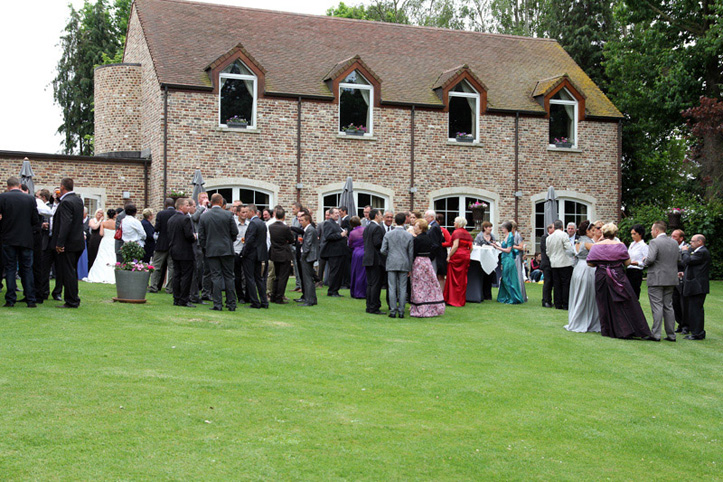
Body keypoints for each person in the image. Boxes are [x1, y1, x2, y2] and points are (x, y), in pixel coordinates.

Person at [586, 223, 653, 340]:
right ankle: (627, 329)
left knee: (604, 302)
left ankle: (608, 329)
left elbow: (590, 263)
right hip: (618, 275)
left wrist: (602, 264)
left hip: (601, 276)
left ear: (603, 233)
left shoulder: (596, 246)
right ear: (615, 234)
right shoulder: (620, 245)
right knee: (625, 301)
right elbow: (627, 263)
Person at [0, 176, 41, 307]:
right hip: (26, 239)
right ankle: (30, 299)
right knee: (27, 269)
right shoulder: (30, 199)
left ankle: (10, 299)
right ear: (19, 185)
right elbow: (35, 220)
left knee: (10, 269)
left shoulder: (3, 197)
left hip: (8, 238)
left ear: (8, 186)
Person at [641, 221, 680, 342]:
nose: (651, 232)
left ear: (657, 230)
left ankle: (656, 334)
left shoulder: (654, 242)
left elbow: (651, 259)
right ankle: (671, 334)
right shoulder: (674, 242)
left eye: (652, 230)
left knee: (657, 306)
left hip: (657, 278)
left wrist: (644, 260)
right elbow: (679, 258)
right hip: (671, 278)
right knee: (668, 306)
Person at [199, 194, 239, 311]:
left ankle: (217, 304)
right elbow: (235, 232)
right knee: (229, 276)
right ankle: (231, 303)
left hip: (212, 250)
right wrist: (229, 241)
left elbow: (201, 235)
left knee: (215, 277)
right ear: (221, 202)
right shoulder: (228, 215)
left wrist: (206, 247)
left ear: (211, 202)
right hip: (226, 249)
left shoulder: (204, 216)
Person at [52, 178, 85, 308]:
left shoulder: (66, 202)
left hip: (69, 243)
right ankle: (73, 297)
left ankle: (72, 300)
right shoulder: (78, 200)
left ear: (62, 187)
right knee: (72, 271)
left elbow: (65, 224)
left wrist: (60, 243)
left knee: (68, 272)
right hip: (78, 241)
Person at [564, 220, 600, 332]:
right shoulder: (587, 243)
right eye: (592, 230)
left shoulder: (578, 241)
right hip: (587, 268)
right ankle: (583, 320)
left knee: (580, 293)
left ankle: (579, 319)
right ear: (587, 231)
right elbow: (600, 251)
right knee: (586, 294)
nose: (594, 233)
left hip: (578, 268)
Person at [409, 219, 445, 318]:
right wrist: (429, 257)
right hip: (427, 262)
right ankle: (431, 306)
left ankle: (420, 307)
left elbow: (413, 252)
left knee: (418, 285)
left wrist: (410, 264)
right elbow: (434, 247)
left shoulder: (417, 239)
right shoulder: (428, 238)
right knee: (428, 284)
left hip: (419, 263)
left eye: (416, 226)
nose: (414, 227)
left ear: (421, 228)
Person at [381, 212, 414, 318]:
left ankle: (393, 311)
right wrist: (410, 267)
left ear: (395, 221)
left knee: (392, 287)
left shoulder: (388, 234)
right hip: (404, 262)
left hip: (391, 262)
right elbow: (411, 253)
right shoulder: (409, 235)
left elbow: (382, 250)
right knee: (403, 288)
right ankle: (401, 311)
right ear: (404, 221)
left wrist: (390, 254)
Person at [167, 198, 196, 307]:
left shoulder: (171, 219)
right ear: (181, 207)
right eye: (186, 205)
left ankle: (176, 298)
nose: (188, 207)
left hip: (174, 250)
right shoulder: (185, 219)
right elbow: (188, 235)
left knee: (177, 274)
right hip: (185, 251)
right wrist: (194, 237)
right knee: (186, 276)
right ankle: (184, 299)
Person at [680, 234, 709, 340]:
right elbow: (691, 265)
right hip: (695, 285)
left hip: (698, 286)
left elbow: (688, 261)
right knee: (693, 309)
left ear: (700, 242)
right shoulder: (698, 252)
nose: (690, 243)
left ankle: (698, 333)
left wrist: (685, 251)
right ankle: (695, 331)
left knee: (696, 310)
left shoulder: (702, 252)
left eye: (692, 241)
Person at [239, 202, 267, 309]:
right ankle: (264, 301)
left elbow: (249, 241)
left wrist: (243, 253)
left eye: (247, 212)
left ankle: (255, 301)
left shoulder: (253, 223)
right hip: (259, 254)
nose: (245, 214)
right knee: (259, 278)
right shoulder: (261, 223)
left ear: (252, 211)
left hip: (251, 255)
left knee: (250, 278)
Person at [443, 217, 473, 307]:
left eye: (455, 222)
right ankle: (460, 300)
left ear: (458, 223)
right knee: (462, 279)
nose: (453, 223)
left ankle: (452, 299)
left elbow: (455, 246)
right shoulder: (467, 233)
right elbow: (471, 248)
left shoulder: (457, 232)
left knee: (453, 278)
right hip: (466, 256)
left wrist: (449, 256)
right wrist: (467, 253)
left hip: (457, 256)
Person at [148, 198, 176, 293]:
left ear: (165, 204)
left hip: (161, 243)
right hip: (173, 244)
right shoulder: (177, 214)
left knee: (156, 266)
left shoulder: (161, 214)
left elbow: (157, 228)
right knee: (172, 268)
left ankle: (153, 286)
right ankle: (169, 288)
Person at [268, 208, 295, 304]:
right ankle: (279, 297)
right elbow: (291, 240)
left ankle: (273, 295)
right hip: (284, 254)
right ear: (284, 216)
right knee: (283, 277)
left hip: (275, 253)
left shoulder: (271, 226)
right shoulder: (285, 228)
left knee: (277, 275)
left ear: (275, 216)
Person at [546, 220, 574, 310]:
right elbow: (569, 248)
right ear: (562, 227)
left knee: (556, 284)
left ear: (554, 227)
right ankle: (565, 304)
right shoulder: (564, 235)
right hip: (564, 263)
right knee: (565, 284)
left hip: (554, 263)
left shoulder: (549, 237)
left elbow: (548, 252)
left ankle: (558, 304)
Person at [320, 207, 347, 297]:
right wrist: (340, 235)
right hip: (334, 252)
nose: (337, 214)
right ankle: (332, 291)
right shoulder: (328, 223)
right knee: (334, 272)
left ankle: (335, 290)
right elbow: (328, 236)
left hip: (339, 251)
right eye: (335, 213)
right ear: (331, 214)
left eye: (338, 213)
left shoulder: (336, 223)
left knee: (338, 272)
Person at [363, 208, 386, 314]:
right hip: (375, 259)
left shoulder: (367, 227)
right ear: (376, 215)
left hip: (368, 258)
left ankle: (369, 305)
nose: (382, 217)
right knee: (376, 284)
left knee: (370, 284)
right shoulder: (377, 228)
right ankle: (374, 306)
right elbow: (377, 243)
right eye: (380, 215)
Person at [495, 221, 524, 304]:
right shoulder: (507, 236)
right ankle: (506, 296)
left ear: (506, 228)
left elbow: (508, 250)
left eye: (503, 228)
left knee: (507, 278)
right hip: (505, 259)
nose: (502, 229)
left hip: (508, 259)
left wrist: (498, 248)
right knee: (505, 278)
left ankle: (514, 297)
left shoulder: (510, 236)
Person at [86, 209, 117, 284]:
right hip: (113, 241)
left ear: (107, 215)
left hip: (105, 241)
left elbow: (101, 234)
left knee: (102, 256)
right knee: (112, 256)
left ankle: (99, 274)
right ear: (114, 216)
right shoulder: (116, 223)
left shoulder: (103, 223)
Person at [296, 212, 319, 306]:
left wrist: (303, 256)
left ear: (307, 221)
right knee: (308, 279)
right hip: (309, 256)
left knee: (308, 279)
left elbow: (308, 245)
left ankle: (309, 300)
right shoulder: (309, 229)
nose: (300, 222)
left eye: (302, 220)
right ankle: (312, 299)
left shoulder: (310, 230)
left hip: (308, 257)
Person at [473, 221, 497, 300]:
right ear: (485, 228)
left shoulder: (492, 236)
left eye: (491, 227)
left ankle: (488, 295)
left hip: (490, 259)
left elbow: (495, 245)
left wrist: (494, 244)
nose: (491, 229)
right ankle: (482, 294)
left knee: (489, 276)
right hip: (482, 259)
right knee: (482, 276)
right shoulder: (479, 236)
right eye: (489, 227)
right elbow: (476, 246)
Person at [671, 229, 688, 334]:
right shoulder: (671, 247)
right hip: (672, 279)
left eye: (675, 237)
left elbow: (686, 262)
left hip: (683, 279)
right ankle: (680, 323)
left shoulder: (687, 248)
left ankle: (686, 325)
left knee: (683, 303)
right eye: (671, 236)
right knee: (675, 302)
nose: (672, 238)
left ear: (681, 238)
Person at [425, 210, 446, 289]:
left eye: (426, 217)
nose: (425, 219)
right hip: (435, 255)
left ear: (431, 217)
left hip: (435, 256)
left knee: (434, 275)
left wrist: (430, 256)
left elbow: (435, 244)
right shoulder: (434, 226)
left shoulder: (434, 227)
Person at [626, 224, 648, 299]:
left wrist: (638, 263)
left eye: (634, 234)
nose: (632, 236)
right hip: (629, 270)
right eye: (631, 234)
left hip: (636, 271)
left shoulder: (643, 246)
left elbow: (646, 261)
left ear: (640, 234)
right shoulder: (632, 244)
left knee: (634, 292)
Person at [347, 216, 366, 299]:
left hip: (357, 253)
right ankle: (364, 291)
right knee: (364, 273)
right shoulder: (365, 229)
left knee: (356, 272)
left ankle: (356, 292)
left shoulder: (352, 233)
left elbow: (350, 244)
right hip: (365, 252)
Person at [510, 220, 528, 302]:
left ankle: (519, 294)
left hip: (517, 256)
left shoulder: (518, 236)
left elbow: (521, 247)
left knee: (517, 274)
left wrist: (512, 246)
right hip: (511, 256)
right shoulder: (510, 235)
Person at [539, 223, 554, 307]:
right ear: (549, 229)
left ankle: (550, 300)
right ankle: (545, 301)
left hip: (553, 263)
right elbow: (545, 249)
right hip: (547, 264)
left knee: (552, 282)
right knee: (547, 282)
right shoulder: (544, 237)